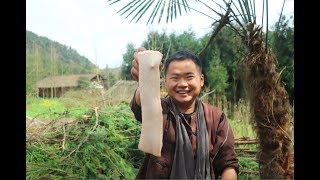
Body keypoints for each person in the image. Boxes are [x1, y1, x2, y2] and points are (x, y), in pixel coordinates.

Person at [130, 47, 239, 179]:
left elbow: (228, 164)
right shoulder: (159, 111)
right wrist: (146, 78)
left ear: (201, 80)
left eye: (189, 77)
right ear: (165, 82)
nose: (182, 84)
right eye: (175, 78)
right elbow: (142, 102)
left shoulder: (215, 117)